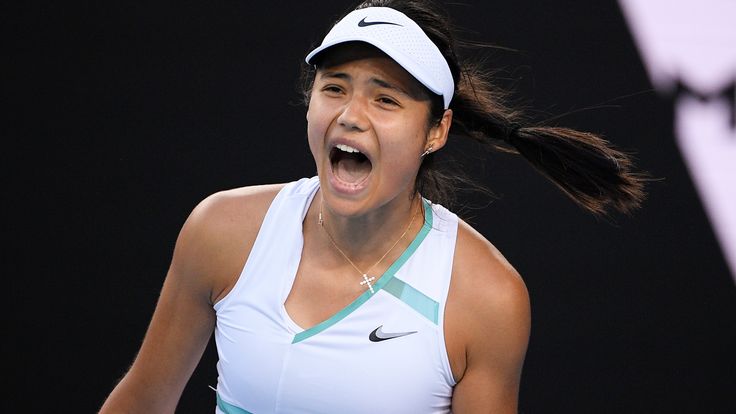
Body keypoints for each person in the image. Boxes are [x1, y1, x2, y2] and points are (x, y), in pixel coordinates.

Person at [99, 0, 645, 413]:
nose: (351, 115)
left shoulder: (485, 299)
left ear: (436, 131)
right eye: (334, 88)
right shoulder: (222, 231)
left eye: (386, 99)